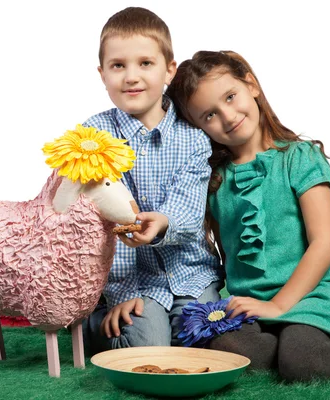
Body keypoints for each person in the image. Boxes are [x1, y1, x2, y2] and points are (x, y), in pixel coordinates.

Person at [166, 50, 330, 381]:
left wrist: (279, 306)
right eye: (209, 115)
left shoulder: (298, 157)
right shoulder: (214, 181)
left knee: (301, 362)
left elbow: (326, 242)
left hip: (317, 293)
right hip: (258, 307)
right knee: (224, 347)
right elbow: (230, 256)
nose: (227, 115)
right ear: (197, 126)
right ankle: (292, 343)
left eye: (231, 97)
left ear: (250, 84)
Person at [82, 7, 225, 355]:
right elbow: (90, 220)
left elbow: (189, 210)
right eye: (118, 66)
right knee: (149, 343)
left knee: (206, 333)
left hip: (190, 274)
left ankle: (174, 325)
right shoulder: (92, 137)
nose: (131, 76)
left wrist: (163, 222)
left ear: (168, 70)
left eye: (145, 63)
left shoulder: (192, 138)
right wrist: (117, 294)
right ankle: (92, 321)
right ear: (102, 74)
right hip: (130, 281)